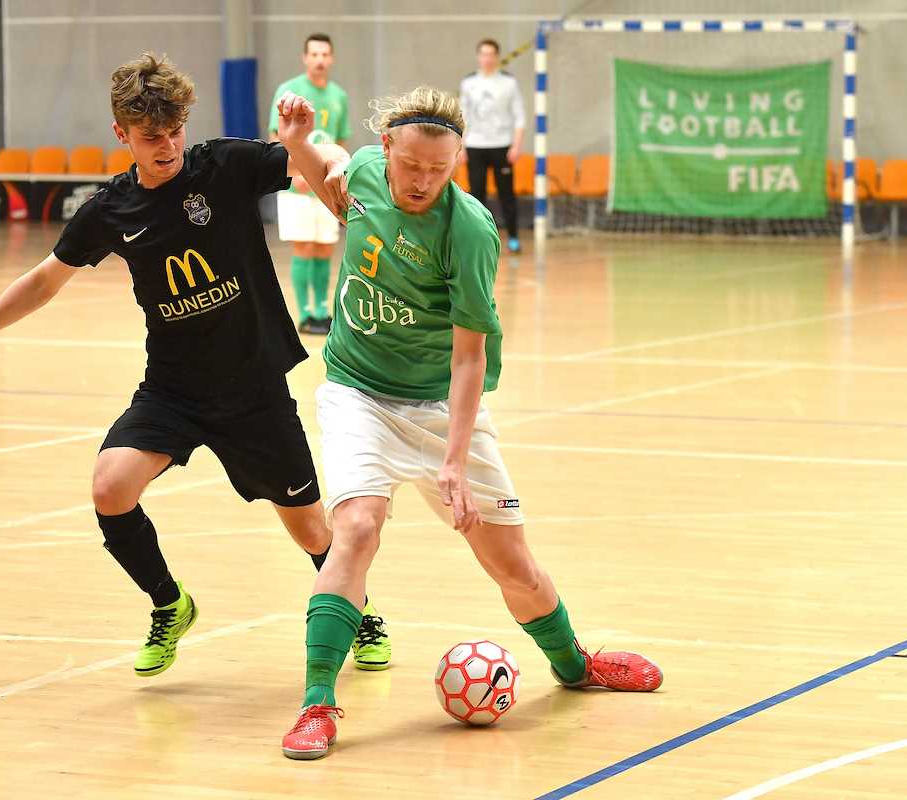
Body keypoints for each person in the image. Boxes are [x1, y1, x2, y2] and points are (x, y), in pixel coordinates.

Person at [0, 53, 391, 678]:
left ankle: (362, 613)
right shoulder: (111, 209)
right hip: (173, 390)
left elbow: (315, 154)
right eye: (150, 137)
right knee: (110, 488)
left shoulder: (224, 166)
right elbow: (46, 279)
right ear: (122, 133)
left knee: (309, 531)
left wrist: (335, 164)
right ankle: (170, 604)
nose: (166, 147)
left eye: (174, 132)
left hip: (253, 389)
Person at [273, 86, 662, 760]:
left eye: (439, 168)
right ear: (386, 148)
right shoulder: (365, 171)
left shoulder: (470, 231)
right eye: (411, 165)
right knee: (357, 527)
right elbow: (336, 184)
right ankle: (317, 703)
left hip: (439, 407)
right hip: (358, 392)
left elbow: (469, 357)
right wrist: (300, 145)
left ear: (456, 161)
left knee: (512, 566)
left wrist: (452, 460)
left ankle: (574, 665)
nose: (422, 180)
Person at [267, 33, 351, 335]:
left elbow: (340, 141)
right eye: (314, 54)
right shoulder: (289, 91)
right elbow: (276, 137)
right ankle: (304, 314)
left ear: (332, 58)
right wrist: (297, 174)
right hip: (297, 188)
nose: (320, 60)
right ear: (305, 58)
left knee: (325, 247)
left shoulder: (339, 96)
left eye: (325, 54)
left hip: (326, 187)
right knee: (303, 246)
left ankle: (321, 311)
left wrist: (337, 173)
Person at [459, 39, 524, 254]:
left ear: (497, 57)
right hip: (475, 145)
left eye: (491, 54)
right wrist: (461, 146)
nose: (487, 58)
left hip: (501, 145)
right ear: (478, 57)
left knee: (506, 193)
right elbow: (462, 117)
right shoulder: (469, 83)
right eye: (483, 54)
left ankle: (513, 236)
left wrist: (516, 146)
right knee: (476, 194)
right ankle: (477, 239)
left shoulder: (508, 83)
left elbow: (519, 117)